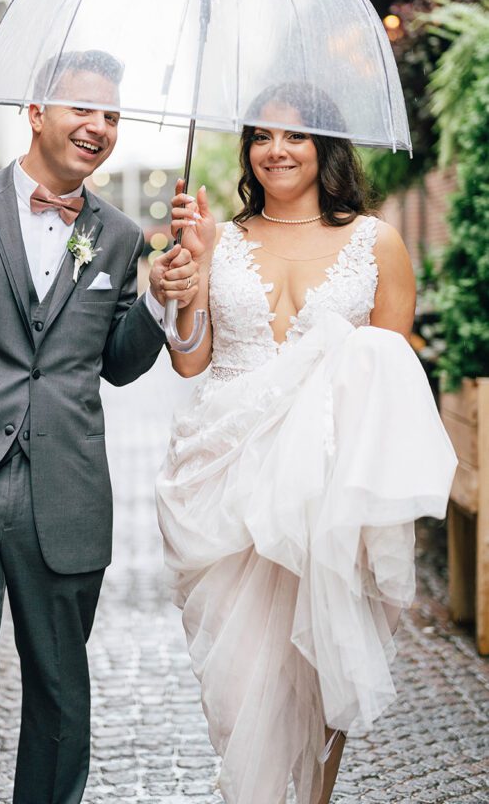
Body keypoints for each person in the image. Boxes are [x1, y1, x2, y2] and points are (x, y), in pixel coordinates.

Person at [0, 49, 198, 804]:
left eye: (113, 117)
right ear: (37, 112)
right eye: (84, 109)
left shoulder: (120, 237)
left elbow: (118, 364)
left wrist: (157, 299)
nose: (99, 127)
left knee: (59, 694)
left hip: (67, 495)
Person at [155, 83, 457, 804]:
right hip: (226, 478)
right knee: (238, 681)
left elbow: (392, 379)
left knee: (322, 656)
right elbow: (190, 359)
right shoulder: (217, 237)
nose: (276, 151)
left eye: (295, 137)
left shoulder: (375, 243)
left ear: (325, 146)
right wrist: (183, 283)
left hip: (324, 482)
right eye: (262, 137)